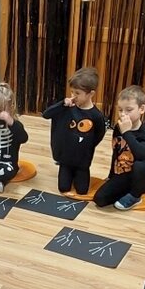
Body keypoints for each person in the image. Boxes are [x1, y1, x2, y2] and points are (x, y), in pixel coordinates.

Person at [42, 66, 107, 194]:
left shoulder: (96, 115)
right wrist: (62, 104)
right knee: (63, 188)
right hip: (65, 160)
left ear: (91, 94)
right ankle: (68, 173)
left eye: (77, 93)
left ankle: (77, 174)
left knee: (82, 191)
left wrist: (88, 145)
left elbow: (100, 134)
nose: (73, 96)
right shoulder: (67, 108)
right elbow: (46, 114)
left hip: (83, 162)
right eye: (72, 92)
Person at [94, 85, 145, 210]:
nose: (123, 114)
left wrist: (127, 132)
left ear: (141, 109)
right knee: (99, 199)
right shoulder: (118, 127)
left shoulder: (144, 131)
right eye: (120, 110)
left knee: (141, 165)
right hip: (122, 173)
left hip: (138, 172)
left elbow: (141, 155)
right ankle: (138, 187)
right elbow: (116, 152)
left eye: (129, 110)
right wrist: (111, 175)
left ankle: (136, 194)